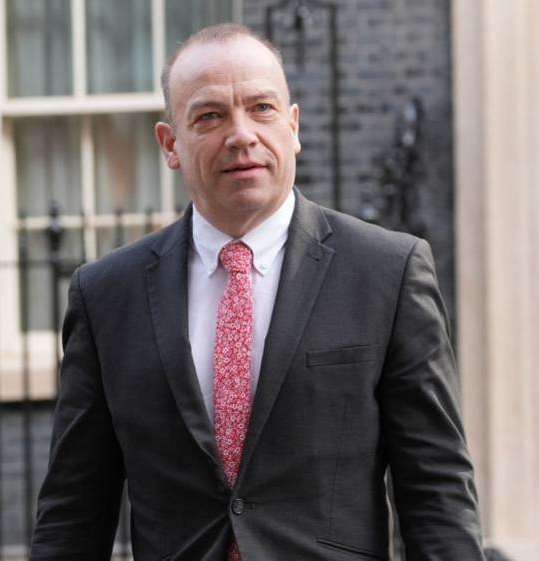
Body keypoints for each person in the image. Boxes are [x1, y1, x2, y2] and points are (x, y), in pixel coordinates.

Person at [29, 23, 484, 561]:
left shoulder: (388, 272)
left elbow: (436, 491)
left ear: (293, 127)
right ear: (170, 144)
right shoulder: (105, 295)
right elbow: (73, 511)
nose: (241, 134)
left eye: (262, 108)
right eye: (210, 116)